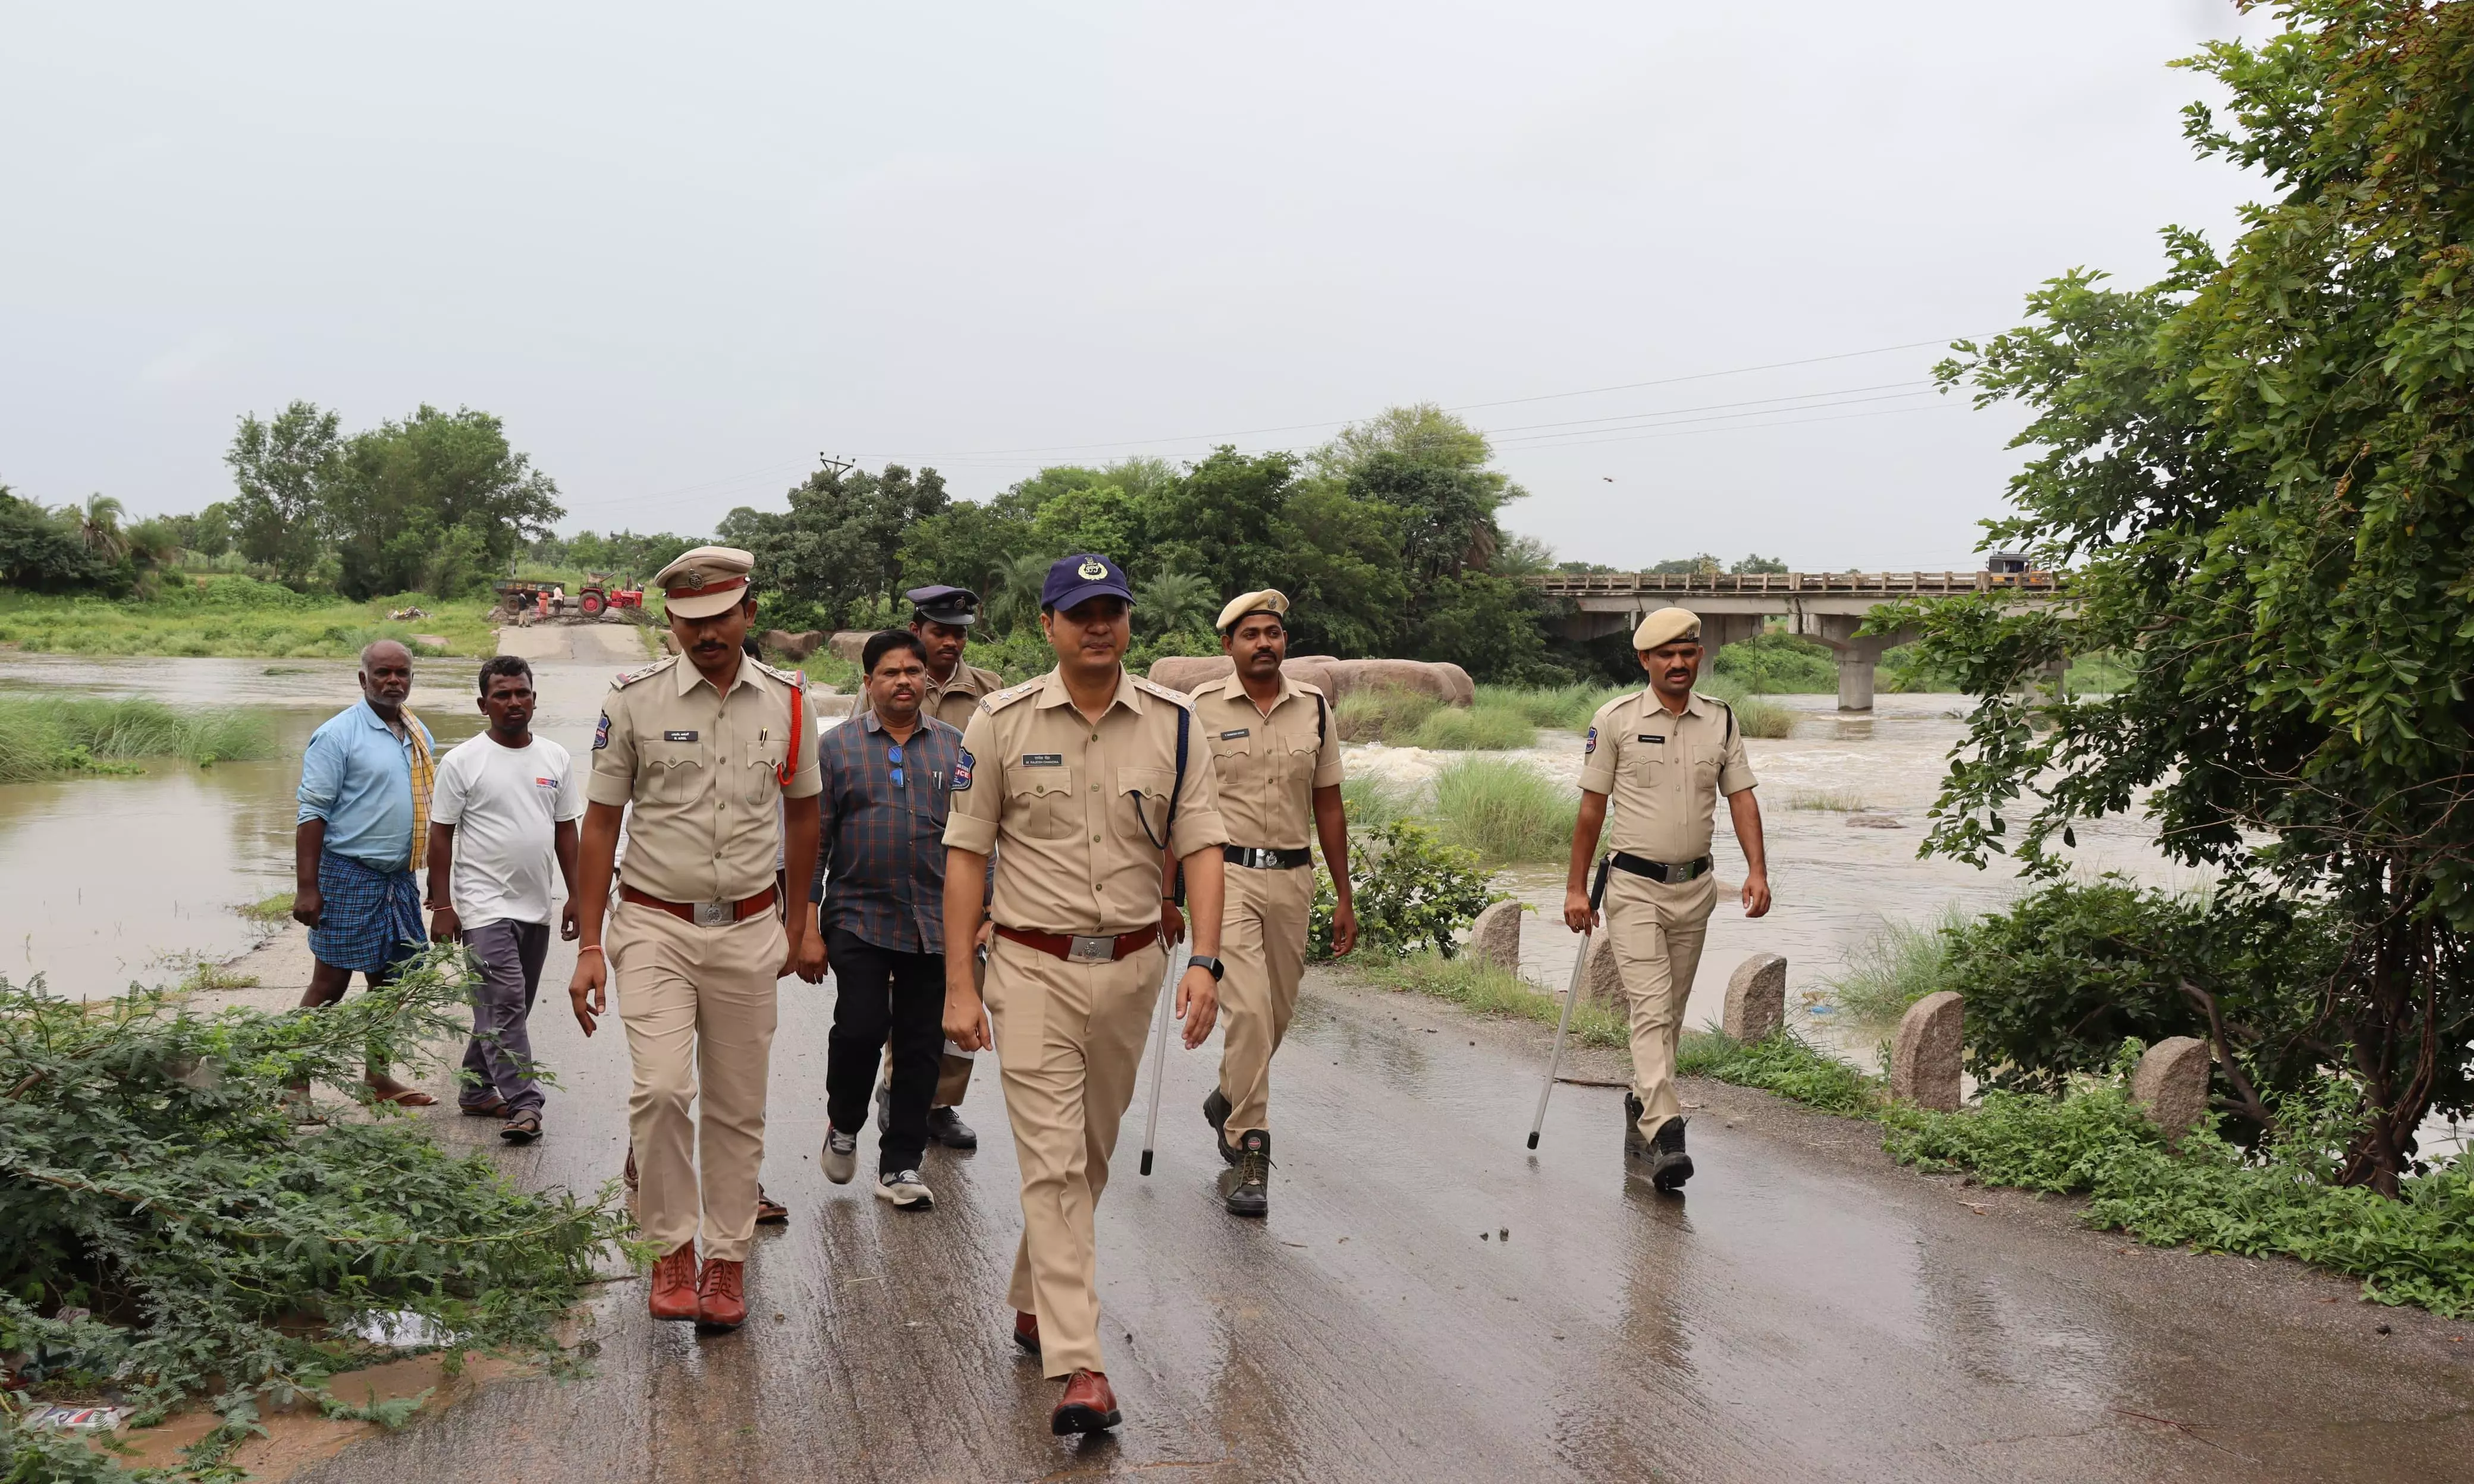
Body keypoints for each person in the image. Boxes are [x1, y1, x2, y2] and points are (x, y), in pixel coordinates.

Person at [941, 553, 1230, 1435]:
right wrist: (960, 983)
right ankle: (1081, 1365)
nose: (1097, 625)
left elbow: (1205, 846)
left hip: (1135, 969)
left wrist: (1207, 962)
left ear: (1129, 622)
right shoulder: (998, 723)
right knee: (1057, 1164)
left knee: (1089, 1160)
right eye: (1079, 612)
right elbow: (964, 857)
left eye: (1112, 610)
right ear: (1048, 626)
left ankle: (1035, 1295)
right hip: (1029, 969)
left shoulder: (1178, 726)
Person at [566, 546, 820, 1332]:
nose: (706, 634)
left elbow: (806, 813)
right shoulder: (633, 700)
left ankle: (726, 1262)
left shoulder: (791, 701)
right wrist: (588, 945)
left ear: (748, 614)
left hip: (748, 929)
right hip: (652, 925)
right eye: (690, 621)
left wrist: (800, 922)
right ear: (670, 622)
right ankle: (671, 1247)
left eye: (720, 619)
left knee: (739, 1109)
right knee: (664, 1090)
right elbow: (601, 820)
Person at [1564, 606, 1772, 1191]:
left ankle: (1640, 1106)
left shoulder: (1721, 722)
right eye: (1665, 655)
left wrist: (1757, 871)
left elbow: (1741, 799)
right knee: (1651, 1009)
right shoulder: (1614, 720)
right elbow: (1590, 809)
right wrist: (1576, 887)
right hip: (1632, 888)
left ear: (1698, 656)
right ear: (1644, 661)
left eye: (1687, 652)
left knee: (1670, 1015)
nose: (1677, 663)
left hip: (1695, 889)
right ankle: (1667, 1130)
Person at [1177, 589, 1355, 1216]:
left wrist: (1343, 894)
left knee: (1275, 1015)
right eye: (1250, 634)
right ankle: (1248, 1149)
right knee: (1249, 1013)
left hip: (1294, 878)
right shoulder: (1197, 710)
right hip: (1224, 878)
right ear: (1227, 645)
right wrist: (1167, 893)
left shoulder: (1312, 708)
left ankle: (1226, 1094)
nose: (1264, 643)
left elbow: (1327, 803)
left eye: (1273, 633)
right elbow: (1179, 807)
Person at [796, 630, 963, 1211]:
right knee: (862, 1027)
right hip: (857, 917)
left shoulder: (955, 748)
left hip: (935, 924)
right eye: (889, 672)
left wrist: (983, 915)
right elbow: (812, 845)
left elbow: (975, 843)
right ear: (866, 682)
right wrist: (807, 928)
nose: (903, 681)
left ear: (926, 680)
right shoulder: (835, 748)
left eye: (913, 672)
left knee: (921, 1046)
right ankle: (844, 1121)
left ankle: (900, 1165)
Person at [866, 582, 1007, 1151]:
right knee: (905, 993)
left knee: (963, 985)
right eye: (940, 632)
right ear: (918, 631)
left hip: (965, 864)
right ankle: (901, 1090)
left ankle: (941, 1101)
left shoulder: (990, 693)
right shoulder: (894, 683)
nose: (951, 642)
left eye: (959, 633)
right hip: (902, 864)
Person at [425, 655, 582, 1144]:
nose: (514, 703)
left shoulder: (556, 758)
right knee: (507, 1000)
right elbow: (441, 836)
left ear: (535, 698)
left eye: (522, 693)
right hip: (481, 907)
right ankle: (525, 1103)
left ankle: (475, 1090)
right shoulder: (462, 761)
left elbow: (566, 833)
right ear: (483, 704)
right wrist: (444, 905)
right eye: (502, 695)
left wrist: (578, 895)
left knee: (507, 1006)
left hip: (534, 905)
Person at [292, 639, 439, 1107]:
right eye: (382, 673)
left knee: (391, 982)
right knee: (330, 985)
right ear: (363, 679)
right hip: (347, 875)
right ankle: (292, 1082)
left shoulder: (417, 733)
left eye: (402, 673)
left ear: (412, 679)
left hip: (397, 880)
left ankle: (377, 1081)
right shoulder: (337, 735)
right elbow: (311, 813)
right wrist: (308, 889)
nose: (393, 681)